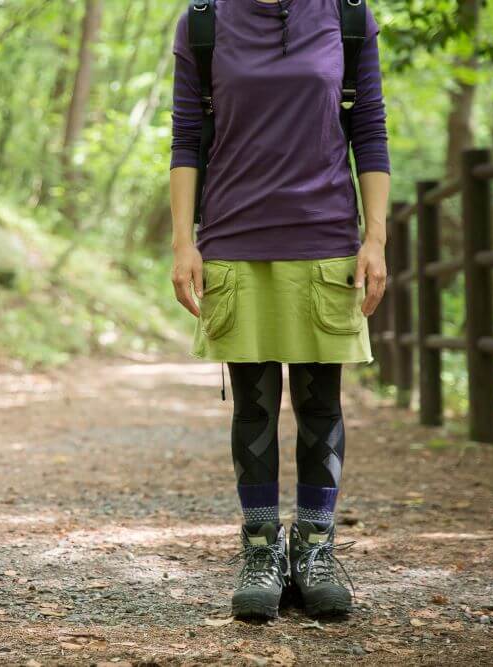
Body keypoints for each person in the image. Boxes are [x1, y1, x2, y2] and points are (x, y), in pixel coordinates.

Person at [169, 0, 389, 619]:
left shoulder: (346, 17)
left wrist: (375, 239)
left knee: (321, 402)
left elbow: (369, 128)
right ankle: (262, 550)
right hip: (236, 240)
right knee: (255, 404)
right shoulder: (204, 21)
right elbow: (186, 137)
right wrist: (184, 242)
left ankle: (315, 549)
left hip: (325, 237)